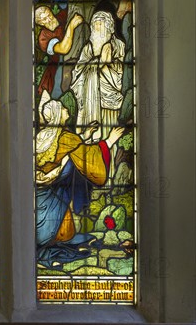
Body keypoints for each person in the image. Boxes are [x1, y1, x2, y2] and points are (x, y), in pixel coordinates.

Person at [35, 90, 124, 268]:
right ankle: (44, 249)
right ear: (58, 115)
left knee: (63, 233)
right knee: (56, 234)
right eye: (63, 109)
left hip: (42, 195)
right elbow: (85, 156)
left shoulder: (42, 136)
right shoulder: (65, 137)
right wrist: (108, 142)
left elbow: (65, 153)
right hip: (54, 197)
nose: (67, 110)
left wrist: (84, 136)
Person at [70, 10, 125, 141]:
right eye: (94, 24)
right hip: (89, 102)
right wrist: (99, 63)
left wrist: (104, 65)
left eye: (99, 24)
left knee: (109, 138)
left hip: (109, 104)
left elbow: (120, 74)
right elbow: (77, 72)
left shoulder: (119, 45)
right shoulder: (87, 48)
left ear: (109, 27)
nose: (96, 27)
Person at [34, 5, 83, 97]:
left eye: (49, 15)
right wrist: (71, 26)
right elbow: (63, 49)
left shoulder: (62, 16)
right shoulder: (43, 37)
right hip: (58, 67)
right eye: (44, 19)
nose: (49, 20)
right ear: (40, 23)